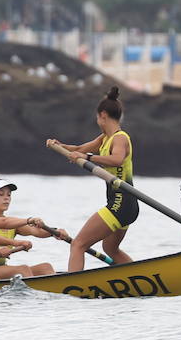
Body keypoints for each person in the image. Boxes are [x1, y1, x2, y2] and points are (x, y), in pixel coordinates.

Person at [47, 86, 136, 271]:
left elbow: (117, 159)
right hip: (126, 204)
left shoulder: (120, 138)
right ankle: (143, 277)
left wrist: (87, 157)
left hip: (120, 202)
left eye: (97, 117)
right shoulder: (105, 138)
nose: (97, 121)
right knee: (110, 248)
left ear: (103, 115)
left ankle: (73, 288)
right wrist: (60, 146)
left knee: (78, 244)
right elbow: (80, 148)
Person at [0, 178, 67, 278]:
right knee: (22, 269)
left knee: (45, 267)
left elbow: (35, 231)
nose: (6, 198)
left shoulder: (13, 225)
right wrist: (29, 220)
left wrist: (54, 232)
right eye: (0, 194)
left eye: (9, 195)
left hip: (0, 268)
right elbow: (4, 222)